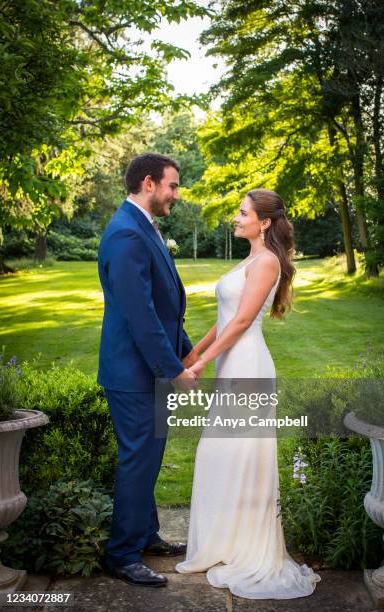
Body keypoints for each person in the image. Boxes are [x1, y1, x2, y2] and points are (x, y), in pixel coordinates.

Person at [175, 189, 321, 599]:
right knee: (222, 454)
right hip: (232, 365)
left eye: (243, 213)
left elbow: (240, 324)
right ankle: (224, 542)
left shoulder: (268, 262)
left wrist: (202, 365)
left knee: (235, 455)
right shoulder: (250, 259)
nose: (236, 218)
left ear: (265, 222)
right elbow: (225, 320)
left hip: (248, 366)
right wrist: (194, 352)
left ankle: (244, 548)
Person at [97, 153, 198, 588]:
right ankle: (121, 553)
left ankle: (145, 533)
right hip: (134, 374)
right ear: (148, 182)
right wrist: (173, 370)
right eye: (172, 186)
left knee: (149, 458)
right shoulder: (126, 234)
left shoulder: (142, 227)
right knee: (138, 460)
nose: (176, 194)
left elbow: (161, 305)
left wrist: (188, 351)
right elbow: (140, 317)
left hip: (147, 371)